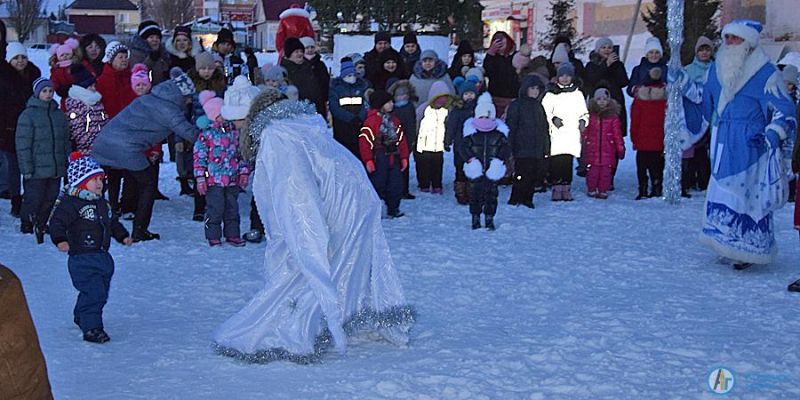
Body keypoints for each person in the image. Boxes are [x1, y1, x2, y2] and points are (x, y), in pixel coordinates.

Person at [213, 89, 413, 363]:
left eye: (237, 120)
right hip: (353, 196)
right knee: (343, 261)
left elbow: (296, 194)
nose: (234, 127)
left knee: (317, 263)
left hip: (345, 204)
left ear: (250, 117)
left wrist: (305, 239)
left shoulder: (277, 136)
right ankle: (341, 317)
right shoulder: (294, 124)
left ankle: (321, 322)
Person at [699, 20, 797, 269]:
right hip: (723, 138)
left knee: (746, 195)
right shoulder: (716, 68)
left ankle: (749, 249)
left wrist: (774, 133)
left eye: (735, 38)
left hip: (750, 143)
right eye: (727, 37)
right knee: (722, 189)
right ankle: (726, 242)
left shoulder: (765, 72)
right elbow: (704, 102)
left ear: (748, 41)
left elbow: (785, 109)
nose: (729, 43)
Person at [91, 67, 198, 242]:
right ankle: (139, 230)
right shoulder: (168, 109)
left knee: (97, 187)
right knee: (147, 185)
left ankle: (92, 223)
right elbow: (189, 133)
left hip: (104, 142)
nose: (188, 101)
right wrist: (211, 139)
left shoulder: (153, 98)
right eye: (187, 97)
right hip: (125, 147)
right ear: (180, 94)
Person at [49, 152, 132, 343]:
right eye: (93, 180)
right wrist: (60, 240)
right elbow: (57, 223)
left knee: (99, 292)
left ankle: (82, 315)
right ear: (80, 181)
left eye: (100, 179)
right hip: (82, 257)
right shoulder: (71, 203)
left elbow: (112, 223)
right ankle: (92, 328)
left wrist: (122, 235)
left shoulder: (102, 203)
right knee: (94, 292)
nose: (99, 184)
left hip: (102, 256)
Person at [15, 78, 70, 241]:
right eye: (44, 91)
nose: (48, 94)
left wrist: (66, 161)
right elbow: (23, 144)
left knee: (51, 197)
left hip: (55, 166)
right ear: (37, 93)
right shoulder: (28, 115)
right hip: (37, 167)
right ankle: (27, 220)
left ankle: (42, 221)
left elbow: (65, 140)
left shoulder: (59, 115)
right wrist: (26, 168)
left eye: (50, 91)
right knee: (34, 197)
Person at [193, 90, 249, 246]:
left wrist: (243, 172)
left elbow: (242, 154)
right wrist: (200, 178)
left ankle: (233, 234)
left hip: (232, 179)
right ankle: (212, 235)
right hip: (213, 180)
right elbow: (199, 157)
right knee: (214, 209)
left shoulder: (235, 132)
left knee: (232, 209)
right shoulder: (206, 135)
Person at [1, 42, 41, 217]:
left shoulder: (34, 75)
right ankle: (16, 201)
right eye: (16, 58)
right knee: (14, 167)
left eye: (23, 57)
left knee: (30, 166)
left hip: (30, 128)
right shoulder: (3, 77)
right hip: (9, 128)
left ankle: (30, 199)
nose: (20, 61)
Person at [461, 92, 510, 230]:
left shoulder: (499, 133)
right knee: (475, 194)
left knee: (491, 194)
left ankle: (489, 217)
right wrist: (470, 159)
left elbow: (506, 148)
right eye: (481, 116)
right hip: (475, 167)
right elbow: (463, 148)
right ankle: (475, 217)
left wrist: (499, 159)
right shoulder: (471, 133)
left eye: (487, 116)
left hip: (492, 168)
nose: (484, 119)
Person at [541, 63, 588, 201]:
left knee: (568, 162)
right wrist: (553, 119)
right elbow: (545, 111)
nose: (565, 78)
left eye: (568, 75)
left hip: (571, 135)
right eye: (562, 75)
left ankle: (566, 187)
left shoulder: (577, 94)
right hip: (556, 134)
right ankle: (556, 187)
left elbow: (583, 112)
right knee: (556, 162)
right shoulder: (551, 94)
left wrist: (583, 121)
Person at [359, 90, 409, 218]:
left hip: (394, 157)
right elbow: (365, 142)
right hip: (379, 158)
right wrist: (368, 160)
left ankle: (394, 207)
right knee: (377, 184)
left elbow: (401, 139)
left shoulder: (395, 120)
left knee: (395, 184)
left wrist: (404, 157)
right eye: (388, 102)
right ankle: (372, 209)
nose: (392, 104)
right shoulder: (371, 122)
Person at [679, 36, 715, 197]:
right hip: (694, 114)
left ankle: (705, 180)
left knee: (708, 149)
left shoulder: (717, 69)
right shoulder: (688, 70)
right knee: (693, 147)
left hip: (713, 113)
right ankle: (689, 180)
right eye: (701, 50)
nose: (704, 53)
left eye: (707, 49)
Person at [506, 75, 549, 208]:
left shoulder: (539, 106)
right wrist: (509, 146)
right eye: (532, 88)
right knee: (521, 174)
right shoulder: (517, 105)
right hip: (521, 147)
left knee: (533, 175)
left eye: (537, 88)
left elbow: (544, 128)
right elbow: (511, 127)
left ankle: (527, 198)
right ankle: (516, 197)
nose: (535, 91)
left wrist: (546, 147)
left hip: (536, 148)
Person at [630, 68, 667, 200]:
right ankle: (657, 186)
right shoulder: (665, 99)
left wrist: (634, 138)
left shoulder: (639, 98)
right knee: (657, 166)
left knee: (642, 166)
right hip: (659, 140)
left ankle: (643, 188)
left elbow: (635, 120)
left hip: (642, 140)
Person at [582, 88, 625, 199]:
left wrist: (620, 148)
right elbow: (585, 131)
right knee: (593, 172)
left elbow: (617, 135)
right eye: (599, 99)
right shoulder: (591, 116)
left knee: (606, 172)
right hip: (593, 149)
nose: (601, 101)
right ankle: (591, 189)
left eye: (604, 99)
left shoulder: (613, 118)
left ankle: (603, 189)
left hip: (608, 150)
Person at [415, 81, 455, 193]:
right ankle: (424, 184)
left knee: (437, 164)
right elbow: (417, 122)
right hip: (423, 142)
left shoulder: (447, 110)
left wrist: (446, 139)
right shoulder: (423, 109)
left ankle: (437, 184)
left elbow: (448, 125)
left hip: (438, 142)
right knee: (423, 164)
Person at [445, 78, 478, 205]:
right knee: (460, 169)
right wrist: (447, 141)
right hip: (460, 145)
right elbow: (451, 127)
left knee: (473, 169)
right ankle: (460, 192)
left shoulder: (478, 109)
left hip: (474, 145)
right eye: (466, 94)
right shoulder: (457, 111)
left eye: (471, 93)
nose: (469, 96)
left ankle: (471, 191)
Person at [329, 58, 369, 158]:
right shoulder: (336, 88)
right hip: (342, 126)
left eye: (353, 75)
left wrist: (360, 117)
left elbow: (366, 104)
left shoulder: (361, 86)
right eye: (348, 75)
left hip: (359, 124)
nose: (352, 77)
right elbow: (335, 108)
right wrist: (350, 118)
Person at [66, 64, 107, 155]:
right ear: (82, 88)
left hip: (102, 148)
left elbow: (104, 120)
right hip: (86, 152)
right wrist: (96, 142)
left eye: (94, 85)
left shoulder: (96, 101)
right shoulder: (75, 105)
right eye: (90, 86)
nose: (94, 88)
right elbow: (78, 132)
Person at [387, 79, 418, 199]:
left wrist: (411, 140)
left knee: (404, 165)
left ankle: (404, 190)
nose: (402, 97)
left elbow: (412, 124)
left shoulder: (410, 107)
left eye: (404, 94)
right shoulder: (392, 109)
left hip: (406, 140)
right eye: (399, 95)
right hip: (393, 140)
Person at [281, 38, 325, 115]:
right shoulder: (283, 70)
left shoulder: (307, 66)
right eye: (296, 52)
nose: (300, 54)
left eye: (301, 51)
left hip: (315, 109)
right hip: (297, 113)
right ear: (289, 54)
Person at [483, 31, 519, 118]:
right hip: (496, 97)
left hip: (513, 97)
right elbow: (487, 72)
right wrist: (490, 53)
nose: (500, 43)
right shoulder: (492, 58)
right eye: (497, 40)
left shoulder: (515, 56)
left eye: (502, 39)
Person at [128, 21, 171, 85]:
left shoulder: (163, 51)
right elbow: (138, 71)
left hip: (162, 87)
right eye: (151, 37)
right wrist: (151, 59)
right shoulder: (136, 52)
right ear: (144, 39)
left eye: (157, 37)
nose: (155, 40)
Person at [300, 36, 330, 117]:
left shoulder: (320, 65)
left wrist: (325, 97)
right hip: (303, 101)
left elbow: (326, 82)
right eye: (307, 48)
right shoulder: (299, 65)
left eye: (312, 47)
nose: (310, 50)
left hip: (319, 100)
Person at [48, 38, 80, 110]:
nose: (65, 56)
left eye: (67, 54)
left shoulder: (76, 65)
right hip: (65, 97)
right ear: (58, 57)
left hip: (79, 95)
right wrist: (54, 88)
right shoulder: (56, 69)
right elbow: (54, 81)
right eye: (62, 55)